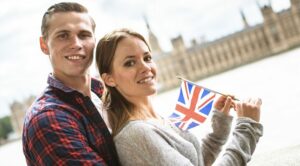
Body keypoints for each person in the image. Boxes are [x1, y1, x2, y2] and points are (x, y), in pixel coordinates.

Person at [95, 28, 263, 166]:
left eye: (147, 58)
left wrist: (219, 127)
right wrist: (247, 128)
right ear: (109, 79)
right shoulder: (135, 134)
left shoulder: (155, 120)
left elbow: (196, 162)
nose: (145, 67)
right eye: (130, 63)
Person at [22, 2, 120, 165]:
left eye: (84, 35)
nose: (76, 44)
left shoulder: (105, 92)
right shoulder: (48, 119)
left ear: (94, 41)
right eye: (63, 35)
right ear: (44, 45)